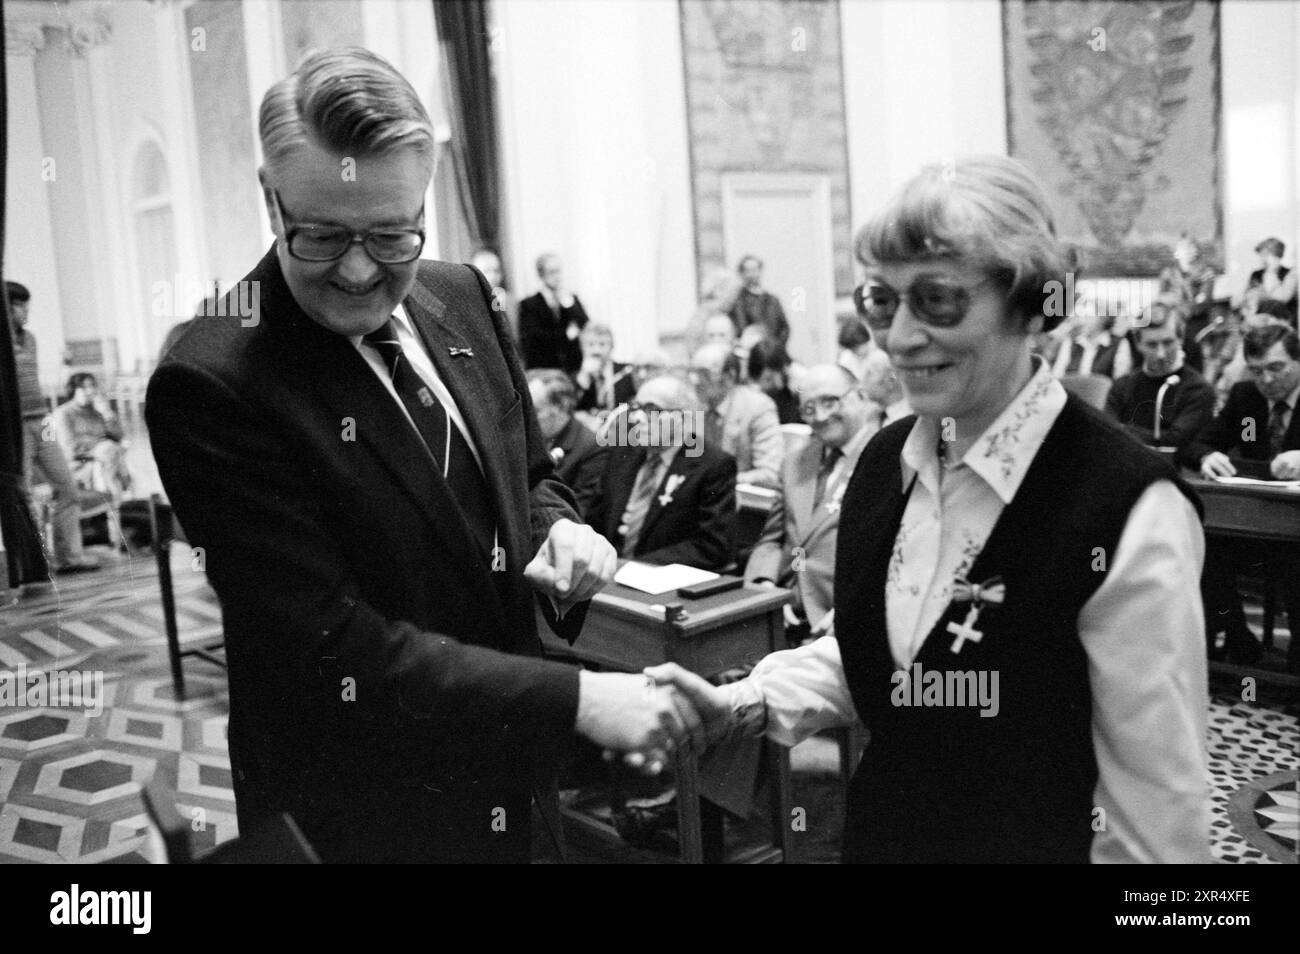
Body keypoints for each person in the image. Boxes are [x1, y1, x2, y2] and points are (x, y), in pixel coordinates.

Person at [145, 48, 700, 863]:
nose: (361, 269)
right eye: (324, 235)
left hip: (513, 781)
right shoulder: (215, 377)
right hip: (366, 811)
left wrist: (560, 531)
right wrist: (578, 698)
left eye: (391, 233)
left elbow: (530, 475)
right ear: (271, 200)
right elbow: (330, 646)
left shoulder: (462, 297)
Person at [648, 156, 1212, 863]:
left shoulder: (1129, 506)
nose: (900, 337)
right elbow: (883, 655)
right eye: (883, 301)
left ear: (1032, 302)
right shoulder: (886, 461)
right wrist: (741, 704)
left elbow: (1157, 823)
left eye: (939, 300)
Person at [1185, 324, 1300, 669]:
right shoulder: (1246, 397)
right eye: (1257, 370)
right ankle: (1238, 637)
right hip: (1258, 525)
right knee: (1205, 547)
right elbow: (1195, 443)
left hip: (1296, 533)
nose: (1266, 380)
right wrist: (1207, 456)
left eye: (1276, 368)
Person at [746, 364, 880, 644]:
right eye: (808, 408)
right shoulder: (796, 460)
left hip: (844, 620)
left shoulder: (887, 459)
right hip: (783, 614)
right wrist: (765, 587)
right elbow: (771, 539)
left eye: (830, 401)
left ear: (860, 397)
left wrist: (856, 608)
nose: (819, 416)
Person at [586, 376, 735, 571]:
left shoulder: (713, 465)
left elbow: (711, 547)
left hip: (661, 581)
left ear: (683, 417)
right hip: (605, 574)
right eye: (635, 407)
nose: (636, 417)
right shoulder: (622, 454)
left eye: (651, 410)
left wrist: (633, 568)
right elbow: (594, 521)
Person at [9, 281, 98, 573]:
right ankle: (34, 563)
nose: (26, 312)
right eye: (19, 305)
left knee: (66, 486)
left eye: (26, 305)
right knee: (22, 494)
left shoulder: (30, 339)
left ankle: (69, 558)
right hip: (14, 426)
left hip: (42, 421)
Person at [1105, 303, 1214, 454]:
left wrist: (1122, 430)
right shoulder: (1122, 386)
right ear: (1138, 344)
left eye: (1168, 343)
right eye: (1152, 345)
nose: (1161, 354)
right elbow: (1106, 432)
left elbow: (1177, 442)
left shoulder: (1198, 389)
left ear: (1181, 338)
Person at [690, 342, 783, 489]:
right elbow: (691, 464)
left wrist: (720, 481)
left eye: (704, 373)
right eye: (692, 372)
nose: (694, 380)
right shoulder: (694, 409)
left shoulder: (758, 407)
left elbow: (770, 473)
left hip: (744, 502)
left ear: (729, 376)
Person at [528, 369, 607, 518]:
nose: (527, 419)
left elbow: (576, 513)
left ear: (561, 407)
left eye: (536, 411)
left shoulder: (592, 448)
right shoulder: (529, 438)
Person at [53, 373, 133, 504]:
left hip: (106, 458)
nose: (89, 391)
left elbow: (119, 437)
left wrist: (107, 413)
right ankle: (113, 505)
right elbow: (70, 446)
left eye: (92, 386)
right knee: (108, 455)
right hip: (79, 462)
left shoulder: (97, 412)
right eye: (84, 387)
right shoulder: (63, 413)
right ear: (73, 390)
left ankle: (117, 505)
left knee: (113, 454)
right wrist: (101, 446)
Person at [517, 252, 589, 373]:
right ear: (541, 275)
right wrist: (566, 335)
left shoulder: (570, 299)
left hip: (572, 367)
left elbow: (585, 325)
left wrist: (570, 305)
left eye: (559, 271)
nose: (557, 276)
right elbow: (534, 339)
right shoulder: (529, 305)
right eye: (551, 272)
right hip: (545, 369)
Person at [1051, 305, 1132, 379]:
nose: (1084, 320)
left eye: (1089, 316)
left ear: (1104, 318)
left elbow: (1120, 379)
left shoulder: (1119, 344)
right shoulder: (1071, 341)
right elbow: (1057, 374)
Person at [572, 322, 634, 414]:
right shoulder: (575, 378)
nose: (596, 350)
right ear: (582, 348)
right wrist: (584, 379)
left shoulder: (627, 372)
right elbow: (573, 409)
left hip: (621, 426)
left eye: (602, 344)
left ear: (612, 346)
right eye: (590, 344)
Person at [728, 255, 790, 343]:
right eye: (747, 271)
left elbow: (784, 328)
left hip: (775, 351)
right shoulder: (737, 302)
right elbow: (740, 329)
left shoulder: (773, 300)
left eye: (755, 269)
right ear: (742, 274)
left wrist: (776, 348)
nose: (752, 274)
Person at [469, 246, 517, 344]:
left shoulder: (509, 301)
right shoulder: (469, 305)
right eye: (486, 271)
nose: (493, 276)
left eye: (496, 271)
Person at [747, 339, 801, 425]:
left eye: (781, 374)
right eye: (768, 379)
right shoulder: (752, 398)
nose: (777, 383)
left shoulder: (795, 384)